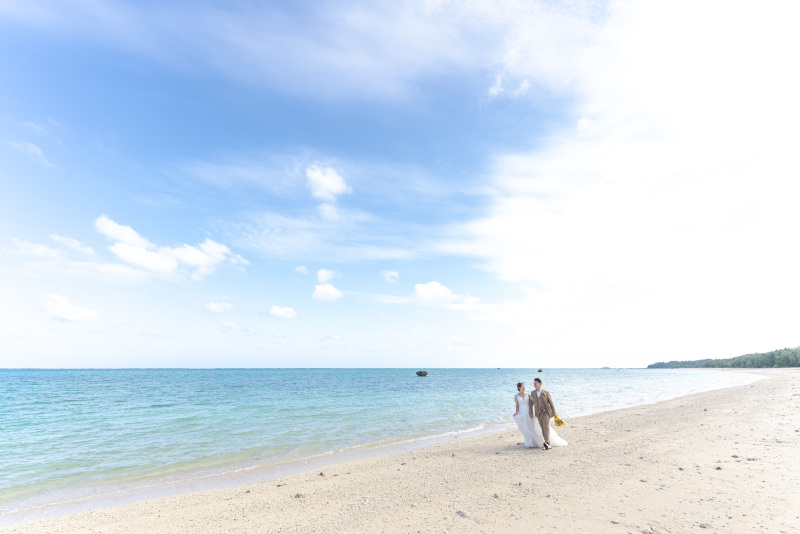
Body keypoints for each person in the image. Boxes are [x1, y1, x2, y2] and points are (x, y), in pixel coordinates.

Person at [528, 377, 567, 450]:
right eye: (533, 383)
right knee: (542, 428)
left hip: (546, 412)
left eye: (535, 383)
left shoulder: (546, 392)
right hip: (538, 413)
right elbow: (531, 404)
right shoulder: (532, 393)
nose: (534, 385)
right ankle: (547, 443)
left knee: (546, 426)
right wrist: (530, 412)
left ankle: (547, 443)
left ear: (540, 384)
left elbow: (551, 403)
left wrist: (554, 413)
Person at [512, 382, 539, 448]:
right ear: (519, 388)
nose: (524, 387)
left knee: (531, 427)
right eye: (522, 386)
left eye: (524, 386)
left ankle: (534, 441)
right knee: (525, 428)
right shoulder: (516, 396)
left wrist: (532, 400)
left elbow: (533, 403)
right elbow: (517, 405)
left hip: (529, 412)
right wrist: (516, 412)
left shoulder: (528, 395)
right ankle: (528, 443)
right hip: (522, 413)